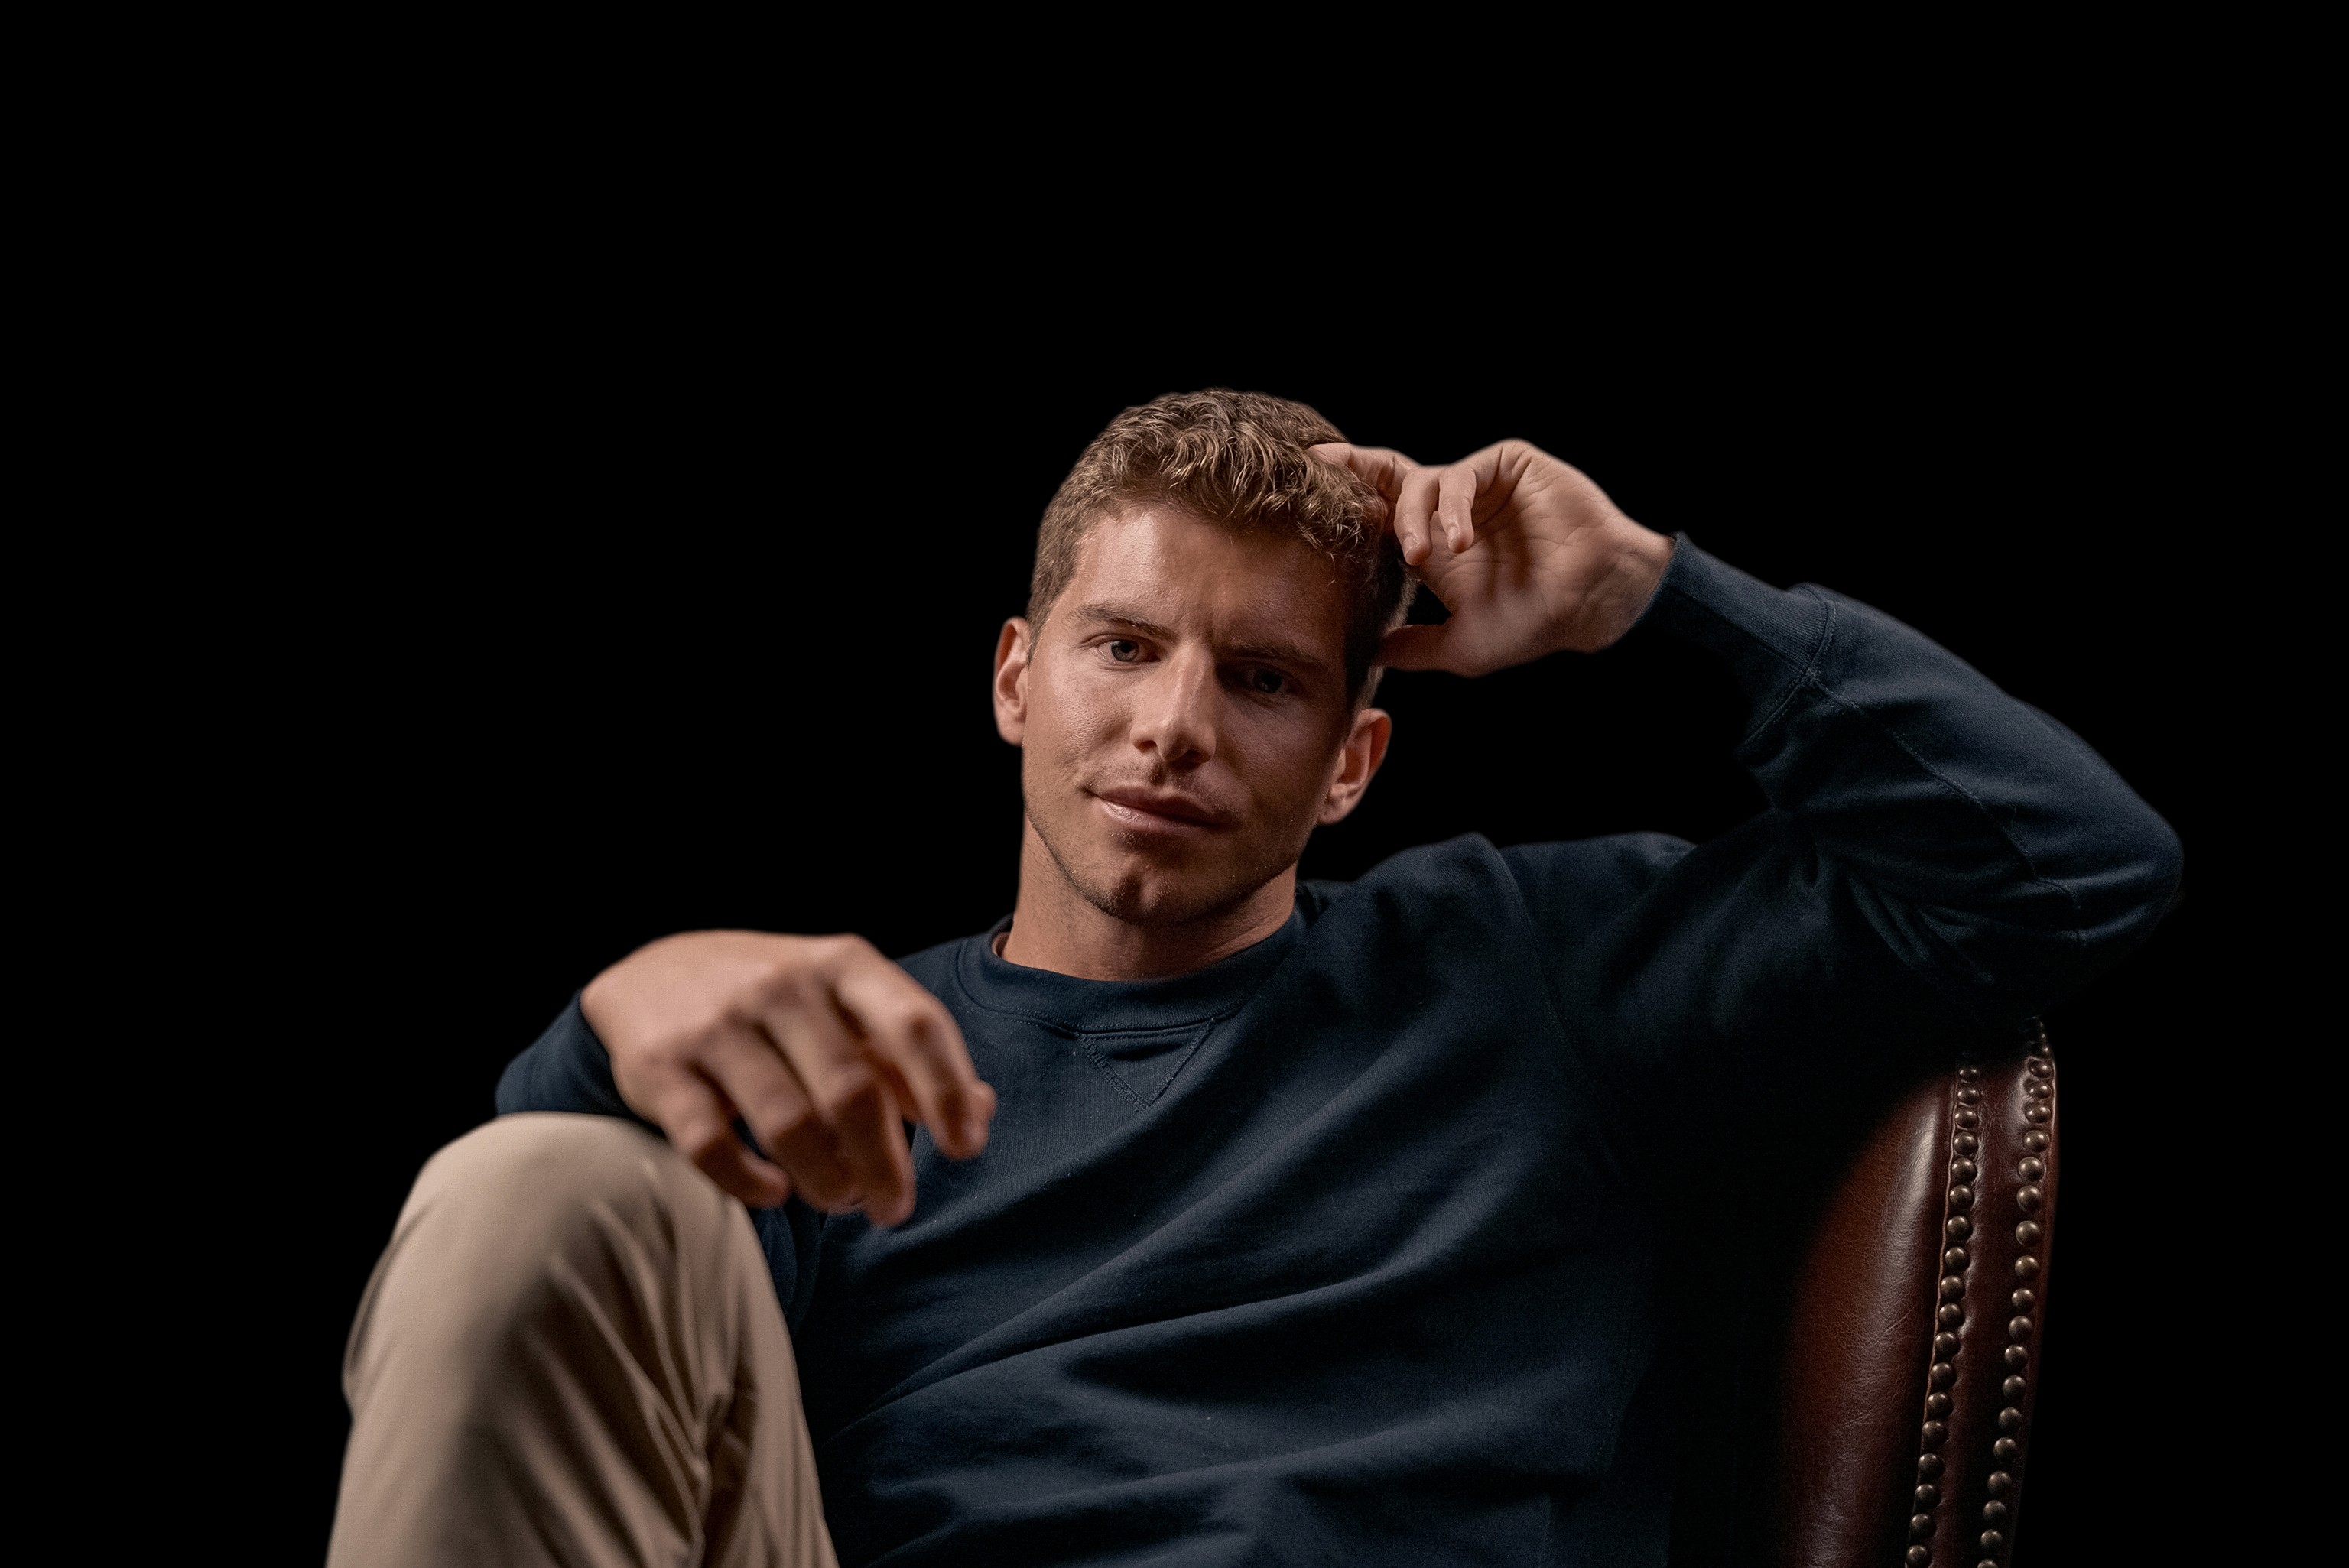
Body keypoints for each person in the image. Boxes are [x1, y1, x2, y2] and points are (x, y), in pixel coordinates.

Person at [327, 389, 2180, 1566]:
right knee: (532, 1181)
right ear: (1016, 680)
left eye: (1266, 679)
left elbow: (2069, 860)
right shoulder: (844, 1049)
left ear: (1353, 762)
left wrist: (1655, 594)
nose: (1175, 726)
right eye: (1124, 647)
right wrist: (609, 1035)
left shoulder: (1531, 965)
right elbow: (520, 1364)